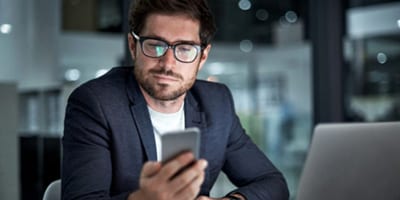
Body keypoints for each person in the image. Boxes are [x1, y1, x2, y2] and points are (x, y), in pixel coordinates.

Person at [61, 0, 289, 199]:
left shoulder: (217, 103)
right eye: (155, 46)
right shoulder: (96, 103)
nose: (168, 64)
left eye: (185, 49)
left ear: (202, 57)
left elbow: (272, 183)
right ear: (133, 46)